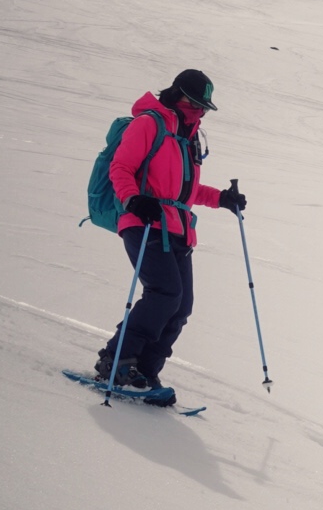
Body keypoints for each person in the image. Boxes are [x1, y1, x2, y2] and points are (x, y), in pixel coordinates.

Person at [95, 69, 246, 406]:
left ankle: (145, 370)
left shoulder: (188, 138)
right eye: (195, 104)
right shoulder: (149, 124)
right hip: (143, 222)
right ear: (177, 96)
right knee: (165, 293)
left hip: (178, 228)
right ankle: (117, 363)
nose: (200, 112)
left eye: (204, 107)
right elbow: (120, 168)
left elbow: (184, 192)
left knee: (181, 307)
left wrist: (222, 199)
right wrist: (134, 199)